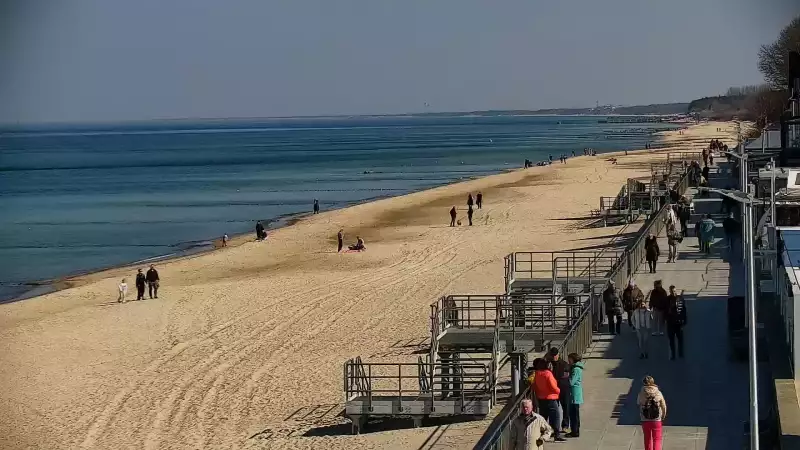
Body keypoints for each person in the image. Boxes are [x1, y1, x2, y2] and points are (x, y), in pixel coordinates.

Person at [532, 359, 565, 442]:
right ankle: (556, 435)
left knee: (543, 417)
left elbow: (535, 385)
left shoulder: (537, 373)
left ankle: (541, 434)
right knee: (556, 417)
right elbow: (553, 386)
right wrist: (559, 391)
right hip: (551, 398)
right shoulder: (548, 374)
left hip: (541, 398)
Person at [638, 376, 667, 450]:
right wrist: (663, 415)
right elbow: (663, 406)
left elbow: (638, 403)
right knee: (657, 439)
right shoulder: (658, 393)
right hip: (656, 419)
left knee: (647, 439)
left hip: (645, 419)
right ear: (653, 382)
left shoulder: (641, 393)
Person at [547, 347, 571, 432]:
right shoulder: (549, 364)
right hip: (554, 389)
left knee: (566, 407)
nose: (554, 357)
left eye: (555, 355)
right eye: (553, 355)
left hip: (563, 388)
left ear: (558, 354)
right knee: (553, 408)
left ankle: (565, 425)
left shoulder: (564, 364)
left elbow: (567, 374)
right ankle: (553, 426)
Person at [666, 286, 688, 360]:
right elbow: (665, 311)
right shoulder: (667, 299)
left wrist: (684, 320)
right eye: (672, 291)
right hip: (671, 323)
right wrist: (666, 319)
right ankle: (673, 354)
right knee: (671, 340)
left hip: (679, 322)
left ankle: (681, 353)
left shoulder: (680, 299)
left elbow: (684, 310)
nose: (673, 292)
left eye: (674, 291)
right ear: (670, 291)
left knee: (680, 339)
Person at [566, 353, 584, 438]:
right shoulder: (575, 368)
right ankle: (575, 429)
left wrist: (566, 377)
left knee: (574, 414)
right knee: (573, 413)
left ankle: (575, 431)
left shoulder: (576, 369)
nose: (568, 361)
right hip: (574, 393)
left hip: (574, 394)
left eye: (569, 359)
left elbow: (571, 382)